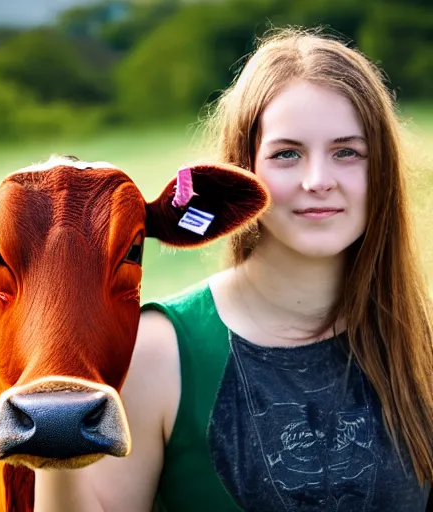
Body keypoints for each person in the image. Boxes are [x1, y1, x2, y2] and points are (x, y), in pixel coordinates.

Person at [34, 27, 433, 512]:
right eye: (287, 154)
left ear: (381, 171)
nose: (318, 181)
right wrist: (55, 404)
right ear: (241, 169)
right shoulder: (161, 350)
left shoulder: (420, 341)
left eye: (346, 152)